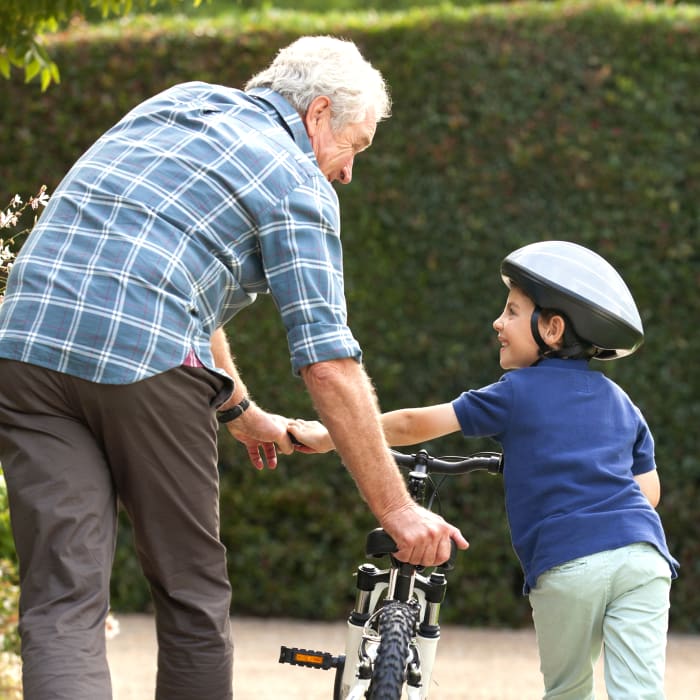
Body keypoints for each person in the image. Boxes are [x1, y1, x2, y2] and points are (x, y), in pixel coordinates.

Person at [0, 36, 467, 700]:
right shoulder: (296, 178)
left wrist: (240, 412)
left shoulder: (179, 104)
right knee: (191, 596)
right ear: (317, 114)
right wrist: (397, 510)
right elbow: (327, 363)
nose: (347, 173)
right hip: (146, 365)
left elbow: (161, 263)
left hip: (23, 348)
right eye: (354, 147)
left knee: (61, 600)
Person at [290, 240, 679, 700]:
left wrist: (327, 433)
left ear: (552, 329)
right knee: (640, 693)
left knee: (568, 689)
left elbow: (415, 423)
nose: (498, 322)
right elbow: (646, 492)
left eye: (512, 312)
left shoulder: (516, 391)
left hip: (570, 562)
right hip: (644, 558)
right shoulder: (623, 402)